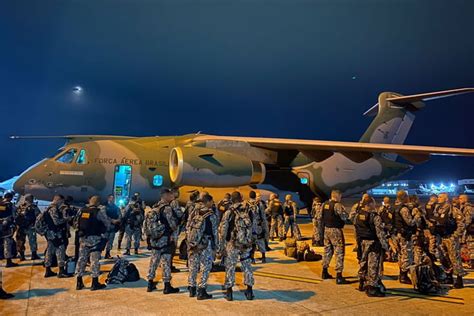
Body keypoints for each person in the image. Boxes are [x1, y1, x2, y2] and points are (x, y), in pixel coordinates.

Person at [219, 191, 256, 301]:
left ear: (232, 199)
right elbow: (253, 227)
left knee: (230, 266)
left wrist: (221, 246)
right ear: (241, 198)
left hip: (233, 243)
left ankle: (229, 292)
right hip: (246, 243)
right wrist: (252, 241)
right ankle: (249, 291)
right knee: (247, 266)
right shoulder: (249, 210)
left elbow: (223, 230)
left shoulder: (229, 212)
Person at [75, 195, 114, 291]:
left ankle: (79, 282)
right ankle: (94, 283)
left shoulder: (82, 210)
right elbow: (107, 224)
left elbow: (76, 223)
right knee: (94, 261)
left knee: (82, 259)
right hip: (95, 240)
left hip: (83, 239)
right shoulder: (98, 212)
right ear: (98, 203)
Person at [144, 189, 180, 294]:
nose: (172, 196)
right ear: (166, 195)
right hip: (164, 239)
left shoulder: (155, 207)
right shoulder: (167, 208)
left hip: (154, 239)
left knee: (154, 261)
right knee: (166, 262)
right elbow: (172, 224)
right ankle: (167, 286)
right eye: (170, 194)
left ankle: (150, 283)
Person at [353, 197, 389, 297]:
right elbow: (380, 234)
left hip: (362, 243)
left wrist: (358, 244)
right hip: (373, 243)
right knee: (373, 265)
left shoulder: (357, 215)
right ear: (369, 205)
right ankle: (372, 288)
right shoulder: (375, 217)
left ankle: (362, 282)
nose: (375, 205)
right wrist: (386, 248)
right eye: (373, 204)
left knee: (363, 263)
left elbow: (356, 231)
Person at [186, 193, 218, 300]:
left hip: (193, 244)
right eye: (211, 202)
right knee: (205, 266)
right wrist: (216, 247)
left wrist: (190, 241)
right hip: (205, 244)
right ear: (207, 202)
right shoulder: (211, 214)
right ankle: (201, 290)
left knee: (193, 266)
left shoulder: (193, 212)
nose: (212, 203)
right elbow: (215, 232)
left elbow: (188, 227)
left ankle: (191, 288)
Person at [433, 193, 465, 288]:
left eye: (440, 197)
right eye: (438, 197)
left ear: (446, 199)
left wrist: (455, 235)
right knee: (444, 258)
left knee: (454, 257)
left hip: (451, 237)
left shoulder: (453, 210)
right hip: (442, 237)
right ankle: (448, 276)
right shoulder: (438, 209)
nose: (438, 199)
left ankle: (459, 279)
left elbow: (461, 223)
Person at [320, 190, 349, 284]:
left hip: (326, 229)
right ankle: (339, 276)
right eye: (340, 196)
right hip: (336, 230)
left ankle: (324, 271)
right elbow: (345, 217)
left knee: (327, 250)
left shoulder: (324, 204)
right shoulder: (337, 205)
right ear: (338, 196)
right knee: (339, 251)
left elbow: (319, 216)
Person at [391, 190, 418, 284]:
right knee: (407, 255)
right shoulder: (404, 209)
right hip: (404, 235)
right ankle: (403, 275)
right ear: (405, 197)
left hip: (397, 234)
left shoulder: (395, 208)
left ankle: (402, 273)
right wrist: (416, 217)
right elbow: (410, 222)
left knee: (401, 255)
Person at [42, 195, 71, 278]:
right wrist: (66, 219)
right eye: (61, 201)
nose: (62, 203)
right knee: (60, 250)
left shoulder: (47, 208)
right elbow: (56, 222)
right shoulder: (54, 209)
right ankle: (61, 271)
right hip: (55, 233)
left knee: (49, 250)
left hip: (49, 232)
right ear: (58, 200)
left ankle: (48, 269)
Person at [15, 194, 41, 261]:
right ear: (30, 199)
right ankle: (34, 255)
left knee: (20, 241)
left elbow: (15, 216)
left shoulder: (20, 207)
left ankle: (22, 256)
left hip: (21, 227)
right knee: (32, 241)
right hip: (30, 227)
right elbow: (39, 216)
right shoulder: (33, 207)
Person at [248, 191, 269, 263]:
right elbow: (263, 215)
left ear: (249, 196)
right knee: (260, 240)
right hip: (258, 225)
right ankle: (263, 257)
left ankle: (252, 259)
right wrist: (264, 226)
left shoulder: (246, 204)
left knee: (251, 242)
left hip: (250, 226)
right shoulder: (259, 204)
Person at [0, 192, 18, 267]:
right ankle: (8, 261)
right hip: (7, 227)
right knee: (7, 243)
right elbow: (15, 215)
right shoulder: (10, 205)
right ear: (10, 198)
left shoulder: (0, 205)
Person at [103, 195, 121, 259]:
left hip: (113, 227)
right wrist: (112, 220)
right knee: (102, 241)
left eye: (113, 198)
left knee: (110, 241)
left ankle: (107, 253)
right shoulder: (104, 207)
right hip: (105, 228)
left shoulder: (116, 208)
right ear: (108, 198)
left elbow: (120, 216)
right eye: (111, 198)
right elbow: (103, 216)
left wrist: (117, 220)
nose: (112, 199)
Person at [459, 194, 473, 269]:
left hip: (470, 232)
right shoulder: (464, 207)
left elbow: (468, 221)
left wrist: (460, 228)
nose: (459, 200)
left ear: (465, 199)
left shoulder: (468, 208)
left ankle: (472, 264)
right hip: (468, 231)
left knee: (471, 248)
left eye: (461, 198)